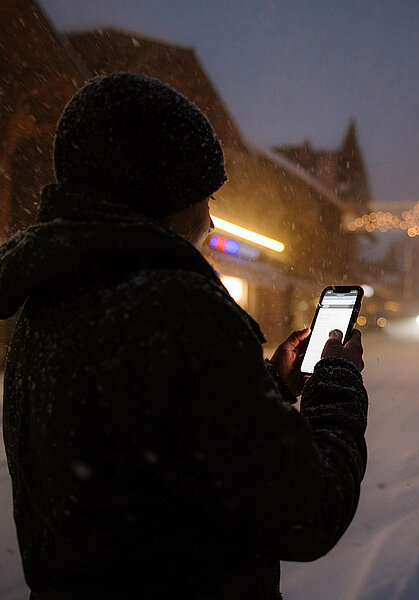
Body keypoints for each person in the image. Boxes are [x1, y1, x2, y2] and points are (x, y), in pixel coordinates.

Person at [0, 73, 368, 600]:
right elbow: (309, 510)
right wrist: (337, 381)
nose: (212, 217)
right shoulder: (178, 311)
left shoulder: (49, 297)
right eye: (204, 194)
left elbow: (146, 439)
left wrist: (266, 385)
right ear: (165, 194)